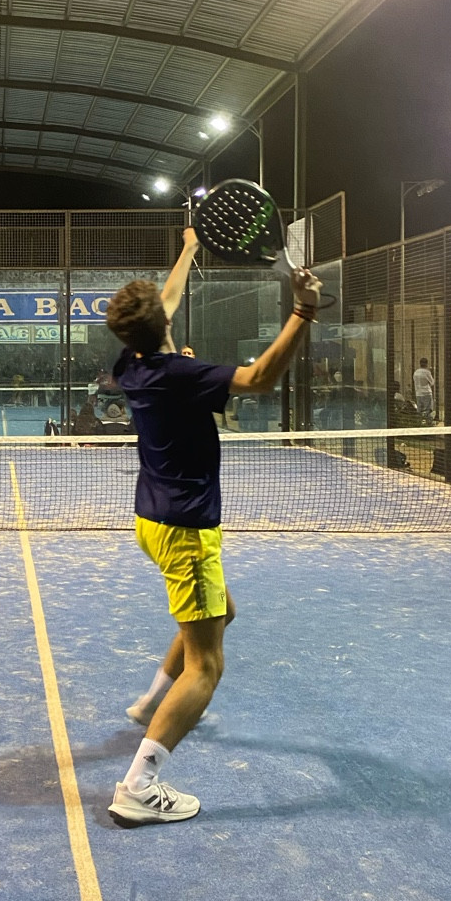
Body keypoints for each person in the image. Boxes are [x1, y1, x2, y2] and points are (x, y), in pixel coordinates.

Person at [104, 228, 322, 825]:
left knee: (221, 611)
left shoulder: (131, 363)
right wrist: (303, 311)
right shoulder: (181, 373)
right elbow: (259, 379)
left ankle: (152, 702)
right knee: (207, 667)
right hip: (186, 530)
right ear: (162, 324)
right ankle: (137, 788)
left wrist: (189, 249)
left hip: (151, 521)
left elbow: (165, 303)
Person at [412, 358, 435, 423]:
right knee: (428, 409)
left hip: (418, 393)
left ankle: (419, 422)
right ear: (426, 364)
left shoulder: (416, 372)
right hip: (426, 393)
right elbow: (432, 382)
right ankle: (428, 423)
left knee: (419, 410)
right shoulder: (427, 372)